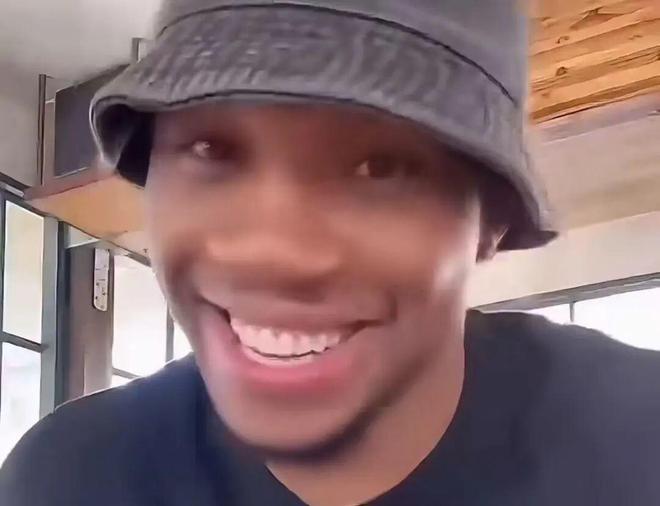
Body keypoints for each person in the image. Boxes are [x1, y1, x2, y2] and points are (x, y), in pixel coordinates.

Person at [2, 1, 660, 505]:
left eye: (381, 167)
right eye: (211, 149)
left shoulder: (637, 443)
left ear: (492, 219)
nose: (273, 252)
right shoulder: (72, 478)